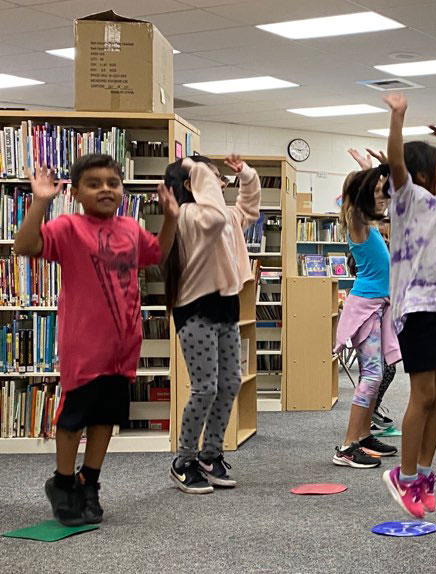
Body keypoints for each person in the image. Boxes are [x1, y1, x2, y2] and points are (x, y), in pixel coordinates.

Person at [15, 155, 177, 525]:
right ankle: (63, 481)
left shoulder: (130, 229)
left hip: (124, 345)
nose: (105, 189)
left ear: (122, 189)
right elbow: (24, 246)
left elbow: (157, 255)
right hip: (84, 345)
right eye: (94, 183)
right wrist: (40, 202)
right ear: (76, 192)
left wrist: (171, 219)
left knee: (106, 417)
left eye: (112, 182)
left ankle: (90, 482)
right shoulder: (68, 227)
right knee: (75, 418)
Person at [380, 92, 436, 519]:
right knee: (423, 393)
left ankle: (425, 471)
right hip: (415, 307)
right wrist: (398, 116)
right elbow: (396, 163)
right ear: (423, 174)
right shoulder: (408, 199)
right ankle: (404, 476)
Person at [163, 154, 259, 494]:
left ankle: (211, 454)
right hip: (195, 308)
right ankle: (183, 460)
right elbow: (215, 217)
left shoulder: (222, 215)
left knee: (230, 381)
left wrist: (246, 175)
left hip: (225, 306)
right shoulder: (189, 215)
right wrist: (194, 165)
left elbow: (248, 208)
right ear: (193, 184)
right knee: (205, 387)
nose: (220, 185)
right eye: (213, 179)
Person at [331, 156, 400, 469]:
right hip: (367, 308)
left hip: (377, 307)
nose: (382, 197)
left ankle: (362, 436)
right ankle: (347, 446)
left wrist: (381, 173)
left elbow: (389, 196)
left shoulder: (369, 224)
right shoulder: (357, 221)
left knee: (378, 372)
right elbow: (366, 198)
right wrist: (378, 171)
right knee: (371, 375)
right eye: (375, 191)